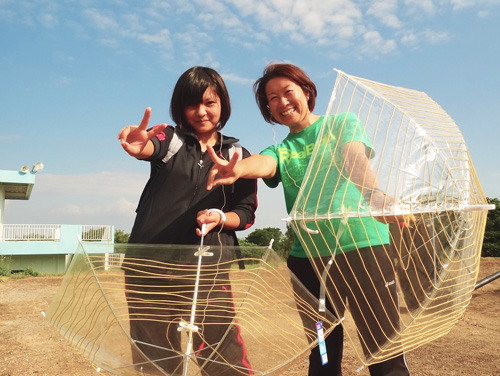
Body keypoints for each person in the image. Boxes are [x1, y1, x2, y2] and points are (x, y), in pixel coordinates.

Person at [206, 63, 412, 376]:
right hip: (308, 264)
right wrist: (240, 168)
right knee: (322, 351)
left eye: (288, 92)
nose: (282, 102)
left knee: (383, 347)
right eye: (271, 98)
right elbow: (264, 164)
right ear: (268, 109)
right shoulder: (281, 149)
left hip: (363, 249)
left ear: (306, 91)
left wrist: (375, 197)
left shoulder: (342, 124)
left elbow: (354, 158)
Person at [118, 66, 257, 375]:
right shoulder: (170, 138)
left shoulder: (238, 154)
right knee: (155, 361)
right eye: (192, 104)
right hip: (149, 267)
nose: (201, 111)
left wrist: (220, 216)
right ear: (180, 107)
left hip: (207, 269)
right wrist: (141, 146)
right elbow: (150, 147)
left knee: (223, 358)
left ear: (223, 104)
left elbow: (246, 213)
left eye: (210, 102)